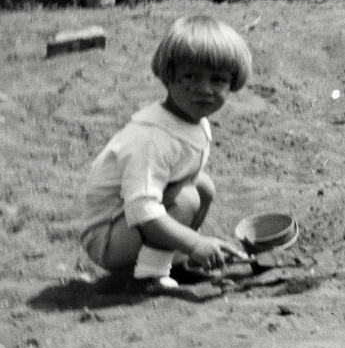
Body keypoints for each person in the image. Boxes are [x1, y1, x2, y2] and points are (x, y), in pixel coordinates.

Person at [79, 15, 252, 287]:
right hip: (108, 237)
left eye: (218, 80)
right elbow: (142, 211)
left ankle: (175, 263)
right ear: (168, 76)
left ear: (233, 83)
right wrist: (195, 243)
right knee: (186, 199)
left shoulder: (193, 121)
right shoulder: (152, 138)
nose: (204, 90)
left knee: (203, 186)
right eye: (190, 77)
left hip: (132, 224)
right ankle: (152, 275)